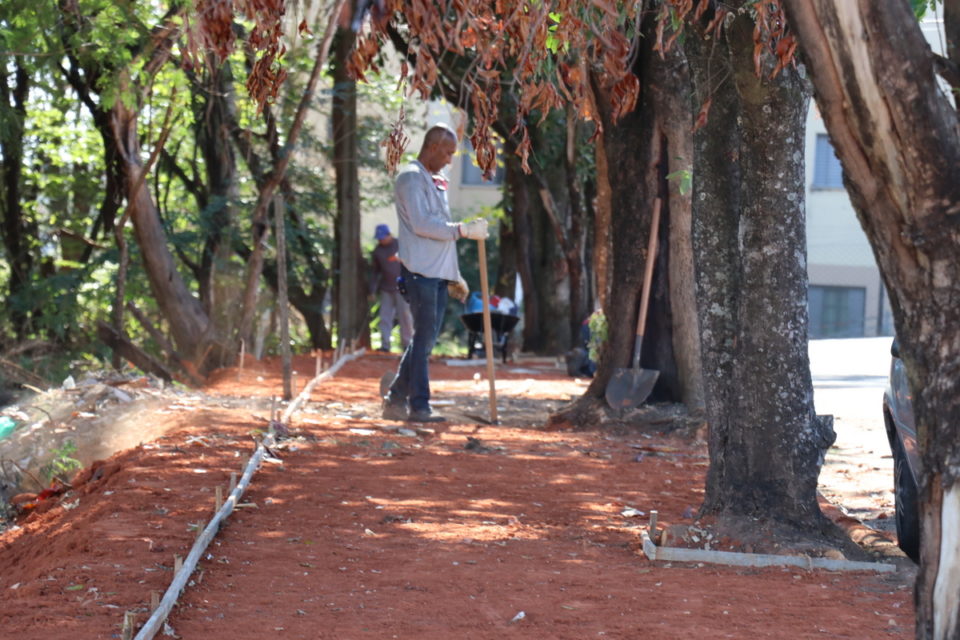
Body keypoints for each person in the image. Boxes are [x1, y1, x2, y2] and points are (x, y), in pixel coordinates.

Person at [381, 124, 488, 422]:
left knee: (425, 341)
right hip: (420, 274)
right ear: (432, 147)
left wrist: (454, 273)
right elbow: (422, 224)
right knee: (424, 339)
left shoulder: (435, 179)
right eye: (448, 153)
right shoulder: (411, 179)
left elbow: (440, 226)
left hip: (437, 274)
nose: (450, 160)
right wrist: (463, 230)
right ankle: (419, 406)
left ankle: (395, 400)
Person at [370, 223, 413, 352]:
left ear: (389, 235)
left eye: (383, 237)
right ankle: (385, 345)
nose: (381, 240)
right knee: (384, 317)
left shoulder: (401, 245)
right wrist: (371, 290)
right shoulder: (377, 251)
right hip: (386, 289)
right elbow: (374, 272)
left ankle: (407, 344)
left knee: (405, 317)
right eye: (379, 238)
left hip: (402, 288)